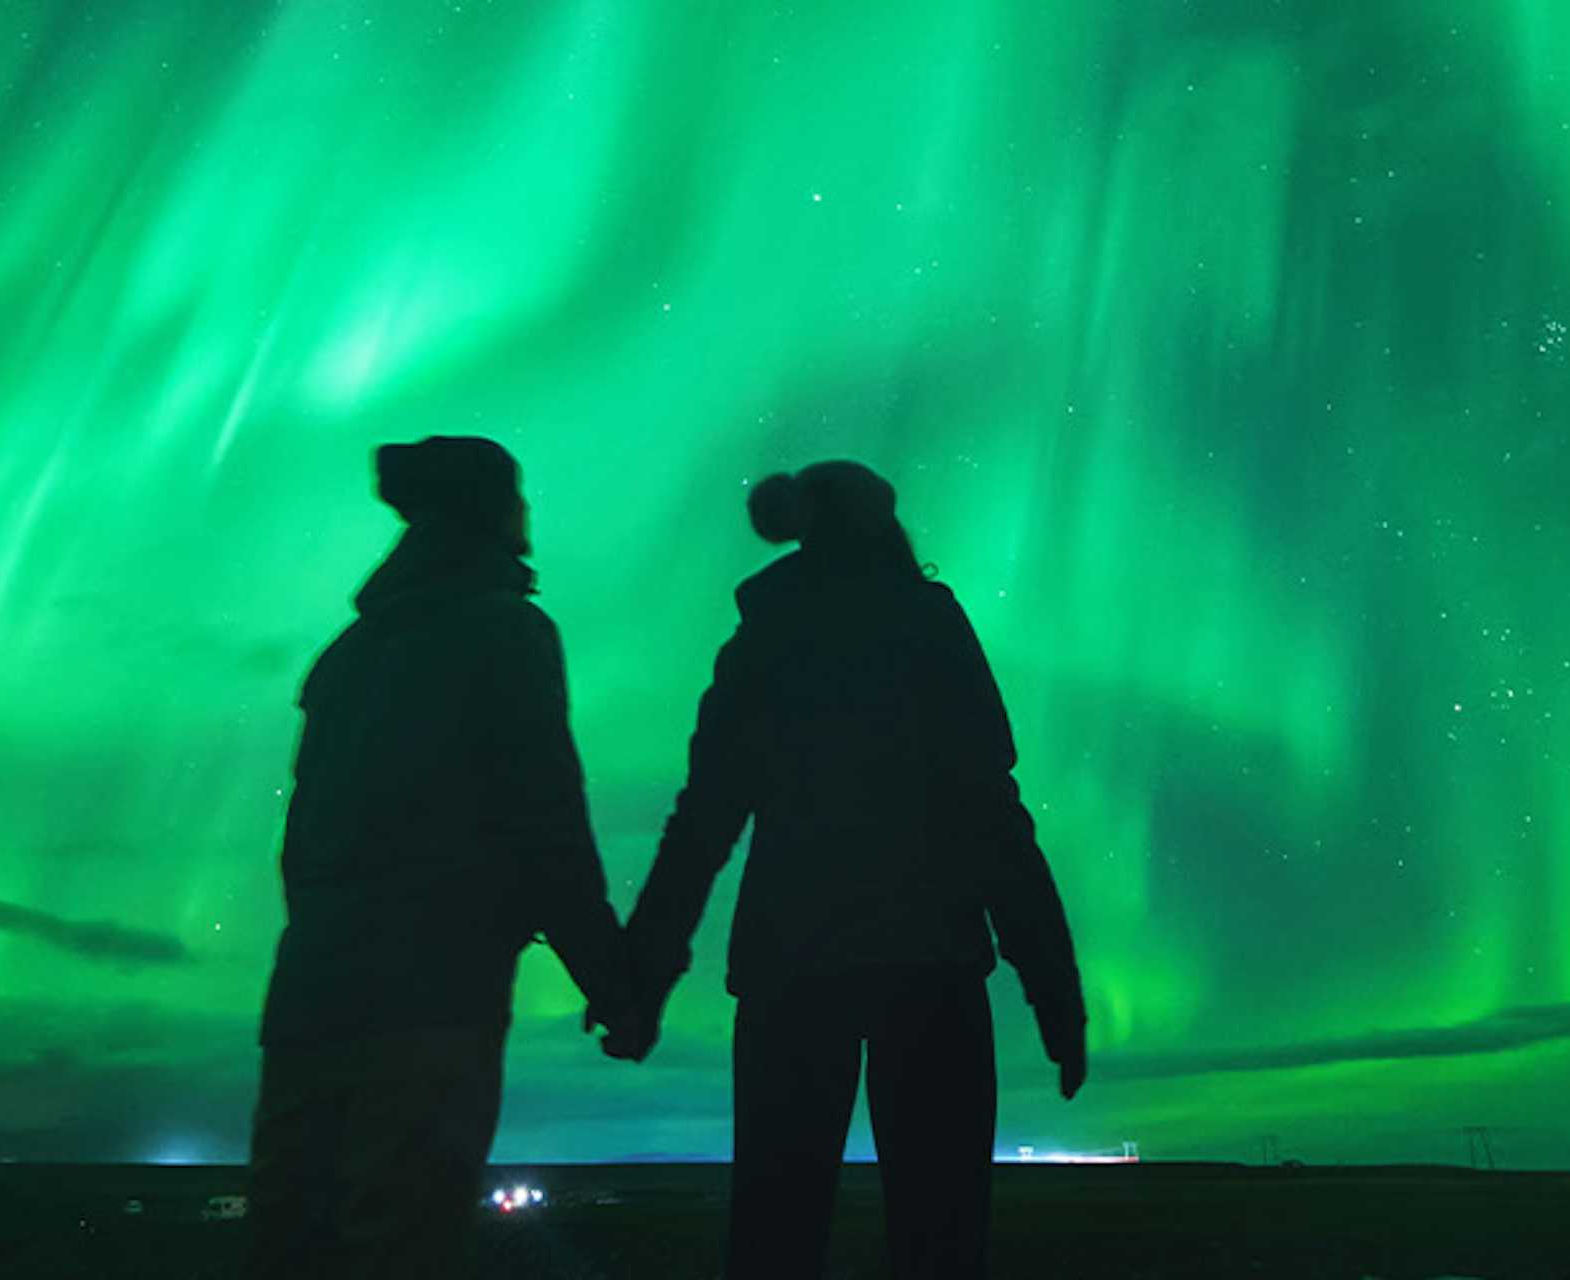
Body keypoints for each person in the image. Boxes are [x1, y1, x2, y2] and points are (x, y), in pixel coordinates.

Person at [620, 460, 1089, 1280]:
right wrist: (1053, 989)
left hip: (790, 969)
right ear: (885, 526)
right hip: (929, 966)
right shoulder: (927, 626)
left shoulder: (764, 640)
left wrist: (643, 973)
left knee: (774, 1233)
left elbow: (703, 822)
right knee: (940, 1240)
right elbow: (991, 815)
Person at [247, 436, 653, 1280]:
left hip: (311, 999)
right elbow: (547, 823)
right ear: (498, 511)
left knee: (295, 1248)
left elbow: (304, 841)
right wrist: (612, 980)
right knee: (399, 1245)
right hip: (433, 1000)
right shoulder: (506, 631)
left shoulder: (346, 658)